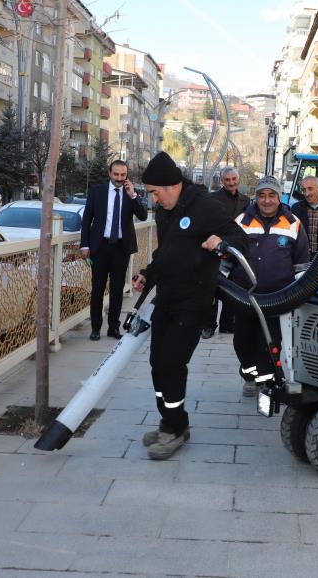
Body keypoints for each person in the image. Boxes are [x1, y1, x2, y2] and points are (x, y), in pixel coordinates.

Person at [132, 152, 248, 460]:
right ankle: (171, 422)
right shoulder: (167, 211)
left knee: (172, 362)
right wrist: (148, 274)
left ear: (172, 186)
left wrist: (222, 244)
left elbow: (240, 238)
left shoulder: (206, 207)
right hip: (167, 298)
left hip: (195, 300)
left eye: (155, 192)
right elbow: (167, 253)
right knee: (157, 362)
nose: (154, 200)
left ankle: (174, 429)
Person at [232, 176, 310, 396]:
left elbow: (301, 262)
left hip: (278, 296)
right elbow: (228, 257)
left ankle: (265, 381)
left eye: (271, 195)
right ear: (256, 197)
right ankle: (249, 374)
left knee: (270, 341)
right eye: (262, 195)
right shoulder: (242, 221)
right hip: (245, 295)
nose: (266, 201)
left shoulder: (293, 223)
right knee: (243, 340)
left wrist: (300, 292)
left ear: (279, 197)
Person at [80, 160, 148, 341]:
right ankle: (95, 328)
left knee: (117, 290)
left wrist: (133, 195)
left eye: (123, 175)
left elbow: (143, 216)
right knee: (97, 289)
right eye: (116, 174)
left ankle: (113, 327)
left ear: (126, 175)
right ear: (110, 173)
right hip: (99, 247)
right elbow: (87, 219)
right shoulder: (97, 191)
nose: (119, 178)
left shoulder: (130, 193)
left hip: (121, 248)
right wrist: (84, 245)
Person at [203, 166, 250, 338]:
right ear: (222, 181)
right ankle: (209, 325)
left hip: (237, 249)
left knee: (234, 287)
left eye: (233, 179)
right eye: (227, 179)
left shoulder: (246, 200)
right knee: (212, 288)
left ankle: (227, 324)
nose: (231, 182)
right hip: (217, 248)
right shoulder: (212, 198)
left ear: (238, 179)